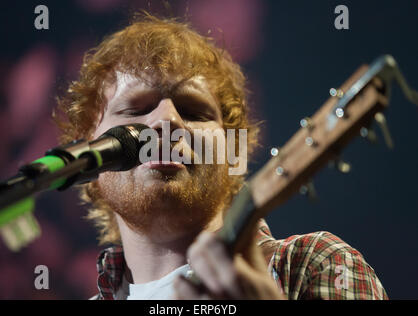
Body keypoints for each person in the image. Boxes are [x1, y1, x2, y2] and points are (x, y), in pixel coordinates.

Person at [55, 12, 388, 300]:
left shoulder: (314, 263)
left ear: (235, 154)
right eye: (136, 109)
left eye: (193, 111)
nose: (167, 121)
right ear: (88, 159)